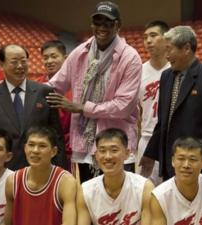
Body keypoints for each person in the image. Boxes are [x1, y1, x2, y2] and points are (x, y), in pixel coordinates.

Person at [47, 1, 142, 182]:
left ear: (118, 25)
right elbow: (56, 83)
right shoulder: (80, 52)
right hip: (85, 143)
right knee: (89, 198)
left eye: (108, 23)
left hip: (115, 143)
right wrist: (30, 91)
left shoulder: (130, 58)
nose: (102, 27)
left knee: (120, 202)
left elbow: (123, 106)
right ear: (92, 25)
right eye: (98, 22)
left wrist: (82, 108)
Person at [141, 25, 202, 179]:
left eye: (170, 49)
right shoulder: (166, 76)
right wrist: (150, 154)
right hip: (170, 160)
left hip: (196, 163)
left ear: (187, 48)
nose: (166, 56)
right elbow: (162, 122)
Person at [0, 44, 66, 170]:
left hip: (40, 166)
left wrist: (60, 168)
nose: (20, 66)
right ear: (2, 64)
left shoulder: (45, 91)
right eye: (14, 62)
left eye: (23, 61)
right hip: (2, 168)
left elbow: (56, 134)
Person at [77, 128, 153, 225]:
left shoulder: (144, 188)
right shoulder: (86, 191)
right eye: (102, 151)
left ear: (127, 154)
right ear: (96, 155)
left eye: (114, 150)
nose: (108, 156)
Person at [4, 126, 77, 225]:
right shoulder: (12, 181)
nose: (35, 150)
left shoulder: (66, 182)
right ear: (25, 148)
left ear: (53, 151)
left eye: (42, 146)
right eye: (31, 145)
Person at [138, 20, 170, 185]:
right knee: (146, 195)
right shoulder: (139, 72)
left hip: (170, 140)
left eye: (153, 35)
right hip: (146, 139)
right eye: (145, 37)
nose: (148, 41)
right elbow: (136, 112)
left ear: (166, 39)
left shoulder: (177, 69)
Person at [38, 40, 72, 171]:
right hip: (44, 147)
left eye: (54, 56)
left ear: (65, 58)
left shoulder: (76, 85)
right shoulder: (37, 86)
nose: (49, 61)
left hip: (70, 149)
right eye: (45, 58)